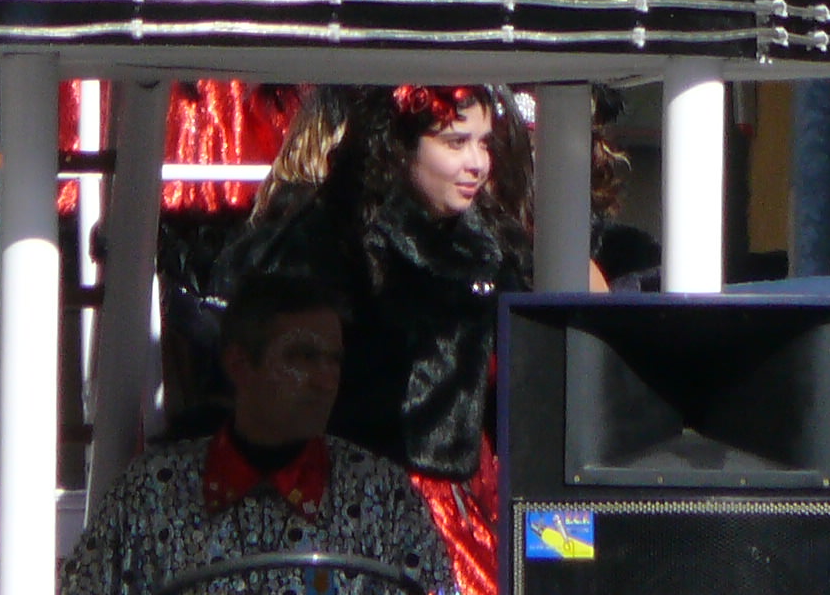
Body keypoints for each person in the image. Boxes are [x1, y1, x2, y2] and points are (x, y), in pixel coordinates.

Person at [215, 90, 523, 595]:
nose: (477, 163)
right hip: (330, 501)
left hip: (457, 503)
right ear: (400, 146)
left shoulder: (486, 245)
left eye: (484, 143)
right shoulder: (330, 244)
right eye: (455, 142)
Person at [63, 272, 453, 595]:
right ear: (239, 364)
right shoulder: (150, 494)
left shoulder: (384, 497)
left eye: (334, 360)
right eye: (302, 357)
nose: (326, 380)